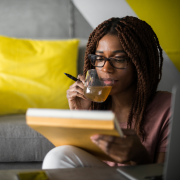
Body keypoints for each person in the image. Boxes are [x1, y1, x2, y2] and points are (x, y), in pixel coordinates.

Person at [42, 16, 171, 169]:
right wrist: (79, 115)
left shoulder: (168, 108)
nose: (106, 69)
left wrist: (139, 156)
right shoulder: (93, 106)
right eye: (99, 58)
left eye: (119, 59)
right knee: (58, 155)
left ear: (140, 62)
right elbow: (73, 160)